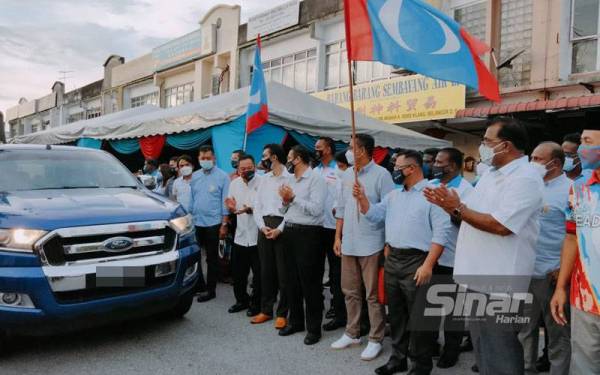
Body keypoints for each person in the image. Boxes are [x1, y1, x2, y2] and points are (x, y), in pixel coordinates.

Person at [425, 117, 544, 375]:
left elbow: (501, 225)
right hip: (477, 274)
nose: (482, 146)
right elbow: (471, 212)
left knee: (500, 352)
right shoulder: (491, 174)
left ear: (506, 145)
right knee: (483, 349)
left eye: (487, 141)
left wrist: (457, 208)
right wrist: (451, 205)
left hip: (499, 280)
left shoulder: (525, 179)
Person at [355, 149, 450, 375]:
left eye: (397, 167)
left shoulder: (432, 193)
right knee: (396, 314)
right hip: (393, 259)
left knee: (419, 318)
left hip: (418, 261)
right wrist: (362, 199)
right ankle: (398, 358)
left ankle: (421, 365)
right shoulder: (394, 195)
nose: (394, 171)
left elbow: (441, 233)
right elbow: (375, 216)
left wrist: (428, 265)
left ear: (412, 168)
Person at [331, 134, 395, 362]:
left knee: (373, 295)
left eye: (351, 147)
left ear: (363, 150)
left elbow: (390, 211)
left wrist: (388, 242)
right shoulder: (348, 174)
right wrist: (338, 236)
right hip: (349, 241)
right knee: (349, 291)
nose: (348, 151)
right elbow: (341, 208)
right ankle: (352, 332)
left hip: (372, 243)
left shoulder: (382, 175)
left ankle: (375, 339)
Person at [516, 142, 571, 375]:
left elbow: (575, 237)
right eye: (532, 158)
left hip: (552, 274)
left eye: (538, 159)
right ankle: (527, 369)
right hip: (525, 271)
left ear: (555, 163)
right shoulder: (527, 187)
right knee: (524, 330)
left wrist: (562, 272)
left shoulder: (571, 190)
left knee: (557, 334)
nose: (532, 163)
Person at [551, 128, 600, 374]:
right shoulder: (579, 188)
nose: (581, 149)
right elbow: (571, 238)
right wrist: (561, 287)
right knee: (584, 365)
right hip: (585, 297)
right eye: (581, 142)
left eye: (587, 142)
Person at [428, 147, 474, 369]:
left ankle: (451, 350)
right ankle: (433, 344)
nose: (435, 165)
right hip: (430, 256)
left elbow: (469, 223)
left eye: (439, 161)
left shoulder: (466, 191)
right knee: (431, 306)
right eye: (435, 161)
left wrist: (449, 208)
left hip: (454, 257)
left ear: (453, 166)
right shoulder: (431, 186)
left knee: (452, 310)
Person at [277, 145, 327, 346]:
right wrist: (286, 201)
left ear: (297, 159)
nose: (287, 161)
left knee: (311, 283)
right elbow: (283, 207)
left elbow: (316, 210)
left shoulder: (316, 179)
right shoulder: (289, 179)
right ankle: (296, 322)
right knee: (291, 281)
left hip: (309, 234)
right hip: (289, 230)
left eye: (289, 157)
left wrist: (294, 199)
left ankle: (314, 328)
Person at [253, 144, 290, 328]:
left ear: (274, 157)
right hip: (264, 226)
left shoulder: (290, 178)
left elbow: (292, 209)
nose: (262, 159)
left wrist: (280, 229)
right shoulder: (264, 179)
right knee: (266, 271)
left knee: (284, 273)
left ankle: (283, 313)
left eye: (264, 156)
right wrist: (262, 227)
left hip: (282, 226)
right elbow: (257, 206)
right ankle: (266, 310)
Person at [190, 145, 230, 303]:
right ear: (198, 159)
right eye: (202, 158)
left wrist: (224, 224)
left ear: (214, 158)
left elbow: (225, 202)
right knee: (195, 255)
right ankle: (198, 284)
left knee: (212, 258)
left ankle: (210, 289)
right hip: (196, 222)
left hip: (214, 223)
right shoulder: (194, 176)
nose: (205, 161)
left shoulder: (223, 176)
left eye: (208, 158)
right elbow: (192, 199)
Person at [314, 137, 346, 331]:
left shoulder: (340, 169)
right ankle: (319, 303)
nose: (315, 150)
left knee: (336, 272)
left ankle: (337, 306)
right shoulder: (315, 171)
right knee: (317, 269)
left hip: (335, 228)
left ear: (329, 149)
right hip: (316, 226)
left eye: (319, 147)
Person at [225, 154, 261, 317]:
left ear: (255, 167)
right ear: (238, 170)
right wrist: (231, 209)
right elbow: (231, 204)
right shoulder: (234, 184)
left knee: (259, 274)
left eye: (249, 168)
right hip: (240, 235)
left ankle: (257, 303)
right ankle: (241, 300)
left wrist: (251, 209)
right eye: (243, 169)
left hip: (258, 236)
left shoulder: (262, 182)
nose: (246, 171)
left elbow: (267, 207)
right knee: (238, 273)